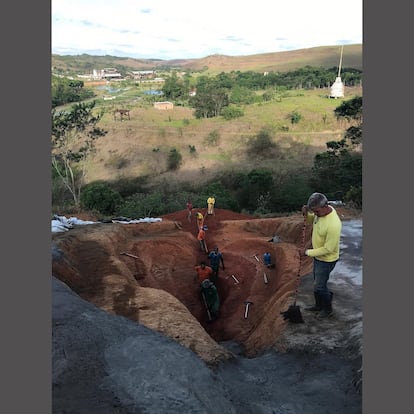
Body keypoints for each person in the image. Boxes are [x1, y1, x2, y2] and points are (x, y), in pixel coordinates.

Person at [300, 192, 342, 318]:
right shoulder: (321, 213)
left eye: (316, 211)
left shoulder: (334, 224)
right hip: (318, 257)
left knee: (319, 286)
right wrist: (307, 214)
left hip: (327, 259)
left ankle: (328, 309)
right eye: (314, 212)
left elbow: (328, 249)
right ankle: (318, 305)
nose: (316, 214)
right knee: (317, 283)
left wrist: (307, 252)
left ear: (325, 206)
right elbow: (311, 220)